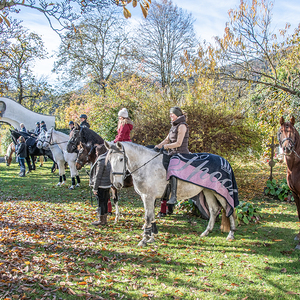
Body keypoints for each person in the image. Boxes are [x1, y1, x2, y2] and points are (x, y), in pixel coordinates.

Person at [155, 106, 189, 205]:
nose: (170, 115)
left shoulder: (182, 126)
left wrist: (165, 147)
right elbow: (166, 140)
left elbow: (178, 143)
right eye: (170, 114)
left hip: (181, 154)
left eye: (172, 114)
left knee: (172, 168)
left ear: (177, 115)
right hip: (172, 153)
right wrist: (157, 146)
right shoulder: (173, 126)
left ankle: (174, 196)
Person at [89, 144, 112, 226]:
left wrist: (95, 188)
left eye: (96, 151)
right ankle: (104, 220)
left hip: (101, 185)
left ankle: (101, 220)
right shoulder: (108, 159)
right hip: (107, 185)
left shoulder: (101, 160)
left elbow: (98, 175)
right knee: (105, 202)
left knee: (101, 203)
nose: (95, 153)